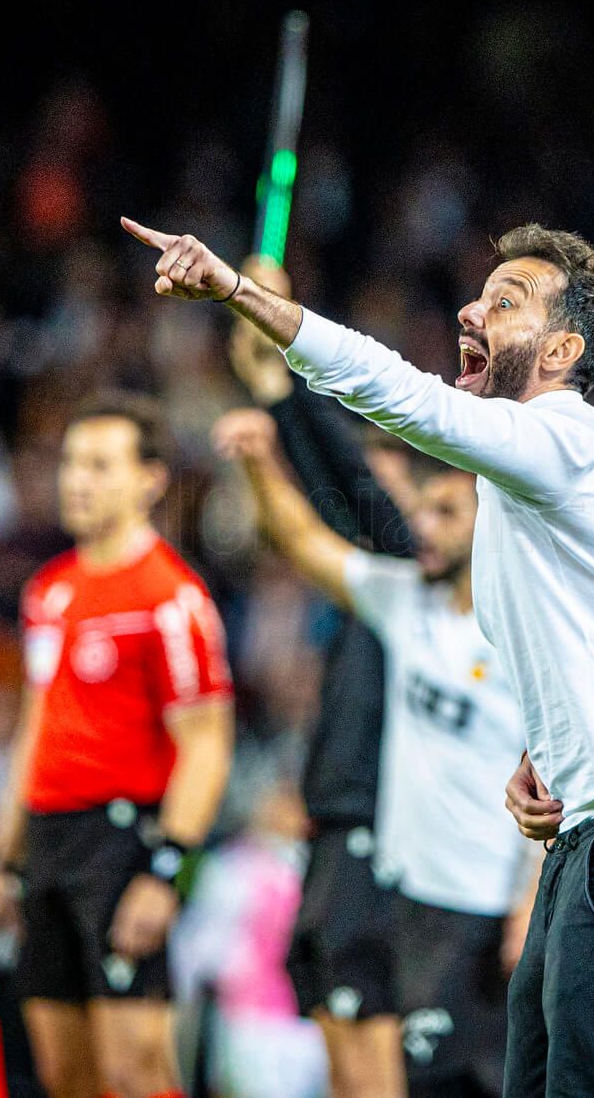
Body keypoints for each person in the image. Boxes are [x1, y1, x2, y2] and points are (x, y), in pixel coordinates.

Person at [122, 216, 594, 1097]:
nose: (471, 311)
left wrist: (246, 298)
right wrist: (549, 746)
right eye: (480, 294)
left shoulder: (568, 438)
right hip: (593, 827)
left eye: (507, 301)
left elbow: (401, 397)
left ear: (561, 352)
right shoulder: (520, 490)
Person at [215, 406, 540, 1097]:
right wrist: (259, 462)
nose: (422, 526)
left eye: (447, 512)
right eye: (421, 509)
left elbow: (560, 784)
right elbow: (303, 539)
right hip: (408, 901)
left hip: (481, 912)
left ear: (497, 524)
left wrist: (530, 902)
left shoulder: (530, 641)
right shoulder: (404, 603)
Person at [0, 392, 235, 1098]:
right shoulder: (48, 592)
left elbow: (207, 745)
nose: (76, 480)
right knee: (65, 1073)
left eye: (98, 464)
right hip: (49, 844)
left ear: (150, 480)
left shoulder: (171, 598)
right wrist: (3, 859)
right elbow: (37, 727)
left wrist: (165, 870)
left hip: (122, 845)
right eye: (70, 463)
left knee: (136, 1072)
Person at [225, 258, 408, 1098]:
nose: (391, 485)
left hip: (385, 833)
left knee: (379, 1060)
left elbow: (360, 498)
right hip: (338, 829)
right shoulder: (387, 580)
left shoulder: (429, 578)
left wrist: (282, 350)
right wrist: (273, 390)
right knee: (345, 1051)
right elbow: (331, 511)